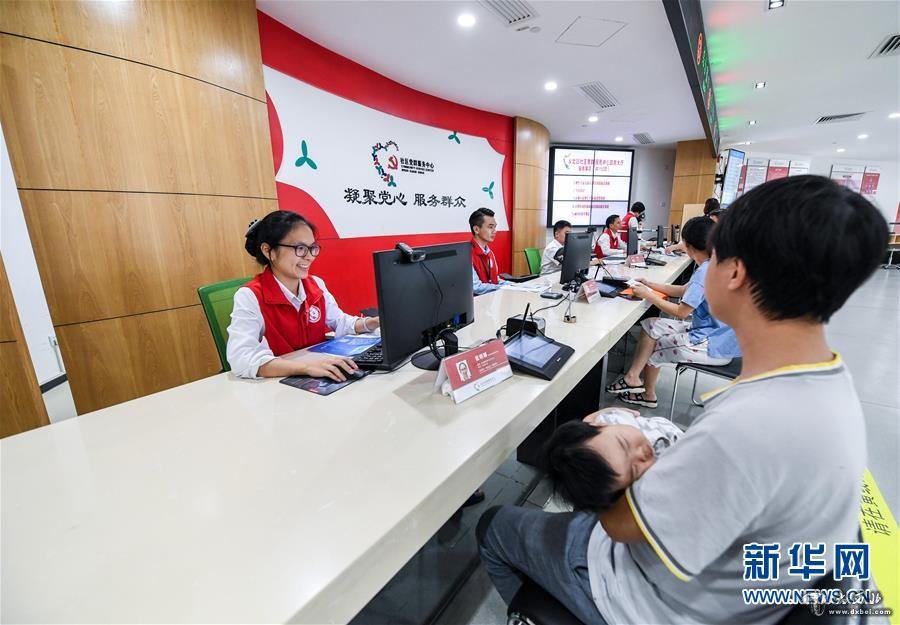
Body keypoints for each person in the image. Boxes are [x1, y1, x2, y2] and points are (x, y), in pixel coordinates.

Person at [476, 175, 887, 625]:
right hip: (736, 594)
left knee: (496, 526)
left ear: (735, 273)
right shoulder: (827, 382)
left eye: (714, 256)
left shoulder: (747, 428)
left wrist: (600, 458)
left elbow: (621, 526)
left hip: (651, 598)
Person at [227, 210, 379, 381]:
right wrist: (306, 368)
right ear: (269, 251)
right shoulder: (250, 296)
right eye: (300, 248)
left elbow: (340, 322)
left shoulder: (316, 285)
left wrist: (374, 322)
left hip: (318, 377)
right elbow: (241, 358)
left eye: (312, 248)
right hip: (277, 384)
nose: (309, 257)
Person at [605, 216, 740, 409]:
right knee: (651, 324)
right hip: (717, 336)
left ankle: (648, 395)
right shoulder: (714, 264)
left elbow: (681, 312)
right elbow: (683, 290)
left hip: (712, 346)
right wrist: (649, 284)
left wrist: (649, 295)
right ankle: (632, 377)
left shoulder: (705, 272)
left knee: (657, 345)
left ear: (689, 246)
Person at [544, 407, 681, 513]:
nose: (641, 454)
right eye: (635, 471)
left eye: (624, 444)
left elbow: (590, 421)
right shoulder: (662, 475)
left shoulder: (611, 420)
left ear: (600, 425)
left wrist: (606, 411)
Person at [469, 207, 509, 295]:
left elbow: (495, 280)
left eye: (495, 227)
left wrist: (515, 285)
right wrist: (505, 287)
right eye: (490, 227)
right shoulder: (467, 255)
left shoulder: (490, 253)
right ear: (476, 229)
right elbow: (476, 288)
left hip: (491, 299)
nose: (495, 231)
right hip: (477, 301)